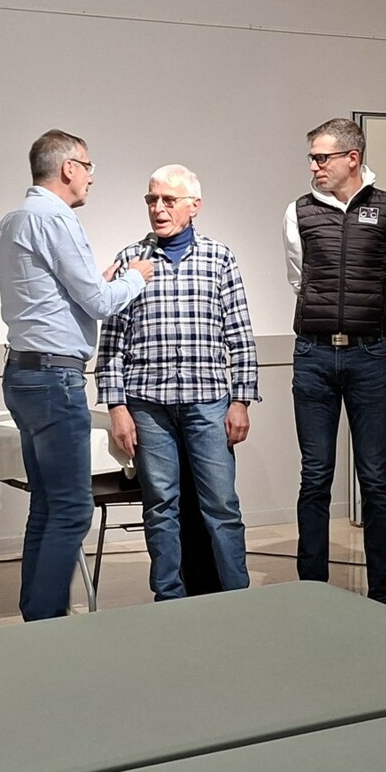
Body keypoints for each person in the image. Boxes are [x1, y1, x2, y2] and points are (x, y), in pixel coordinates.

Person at [0, 130, 153, 620]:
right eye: (88, 166)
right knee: (72, 508)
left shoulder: (11, 221)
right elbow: (100, 304)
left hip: (22, 374)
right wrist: (136, 276)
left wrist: (97, 285)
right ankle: (47, 626)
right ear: (67, 168)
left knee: (46, 503)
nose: (91, 177)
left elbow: (48, 296)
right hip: (54, 380)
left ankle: (36, 618)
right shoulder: (56, 219)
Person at [95, 165, 257, 600]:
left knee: (221, 506)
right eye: (152, 199)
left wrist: (241, 400)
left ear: (194, 206)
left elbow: (240, 334)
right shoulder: (131, 260)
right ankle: (168, 600)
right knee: (160, 507)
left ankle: (240, 599)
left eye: (169, 200)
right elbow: (111, 343)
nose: (159, 208)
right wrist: (117, 407)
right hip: (148, 405)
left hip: (208, 403)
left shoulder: (219, 258)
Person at [283, 118, 386, 606]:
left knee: (374, 477)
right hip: (313, 354)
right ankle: (312, 591)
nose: (314, 167)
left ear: (352, 158)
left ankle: (382, 594)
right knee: (315, 475)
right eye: (313, 158)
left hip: (367, 355)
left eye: (322, 157)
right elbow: (299, 279)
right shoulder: (298, 211)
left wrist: (370, 327)